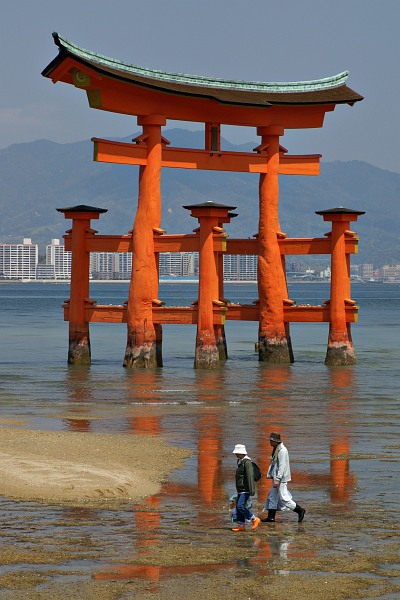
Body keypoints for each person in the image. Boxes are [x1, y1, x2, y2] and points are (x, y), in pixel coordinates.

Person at [261, 432, 306, 523]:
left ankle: (300, 510)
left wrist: (277, 479)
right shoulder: (276, 449)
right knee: (272, 496)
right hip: (276, 477)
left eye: (271, 440)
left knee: (283, 497)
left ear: (275, 441)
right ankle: (271, 517)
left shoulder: (282, 451)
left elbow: (282, 466)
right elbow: (274, 464)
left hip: (281, 478)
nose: (269, 442)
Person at [231, 443, 261, 532]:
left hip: (245, 489)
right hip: (240, 488)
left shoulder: (247, 462)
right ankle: (241, 525)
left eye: (236, 453)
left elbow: (250, 476)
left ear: (241, 453)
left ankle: (254, 519)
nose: (235, 454)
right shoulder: (240, 461)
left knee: (240, 506)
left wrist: (252, 490)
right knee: (238, 507)